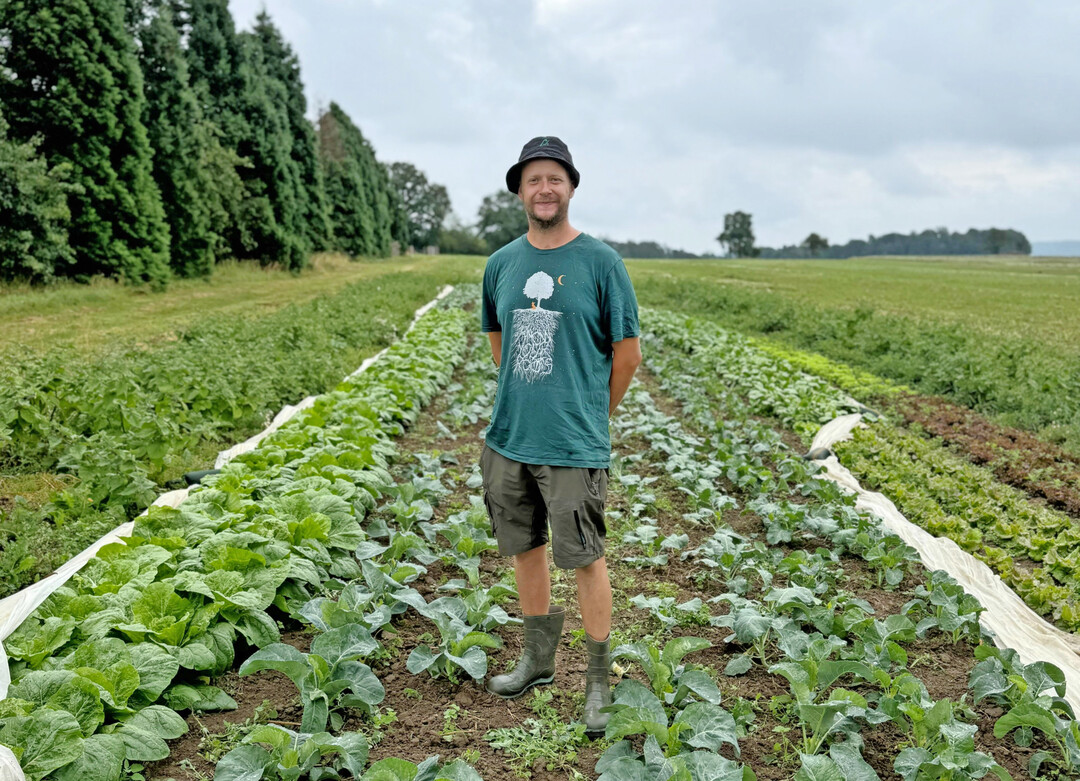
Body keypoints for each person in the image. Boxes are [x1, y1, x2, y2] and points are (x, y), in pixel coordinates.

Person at [479, 136, 641, 734]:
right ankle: (538, 660)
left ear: (571, 187)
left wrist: (592, 414)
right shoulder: (502, 263)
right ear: (519, 192)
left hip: (573, 443)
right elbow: (499, 343)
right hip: (509, 438)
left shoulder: (601, 262)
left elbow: (627, 354)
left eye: (555, 178)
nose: (544, 189)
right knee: (525, 549)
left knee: (586, 558)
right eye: (533, 180)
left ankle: (598, 681)